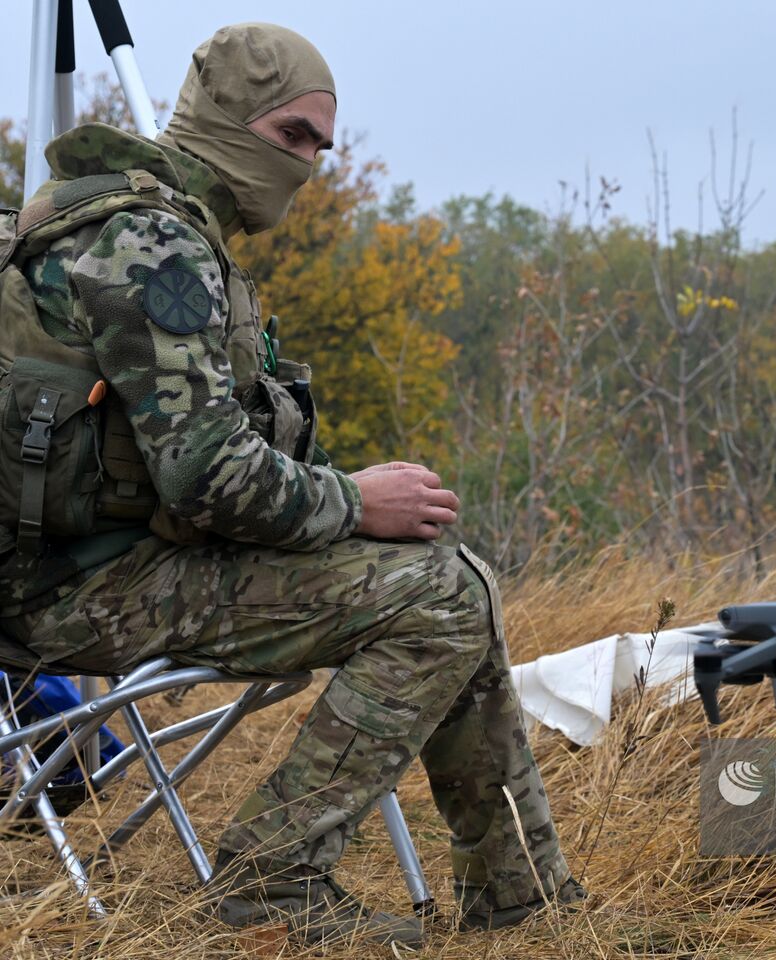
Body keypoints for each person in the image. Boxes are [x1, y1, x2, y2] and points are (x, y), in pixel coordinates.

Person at [0, 22, 582, 947]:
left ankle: (522, 900)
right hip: (68, 591)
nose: (309, 164)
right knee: (438, 595)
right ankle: (273, 879)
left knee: (452, 579)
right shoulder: (155, 245)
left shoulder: (128, 217)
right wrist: (357, 502)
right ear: (227, 116)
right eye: (292, 135)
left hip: (89, 566)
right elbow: (206, 478)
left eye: (320, 144)